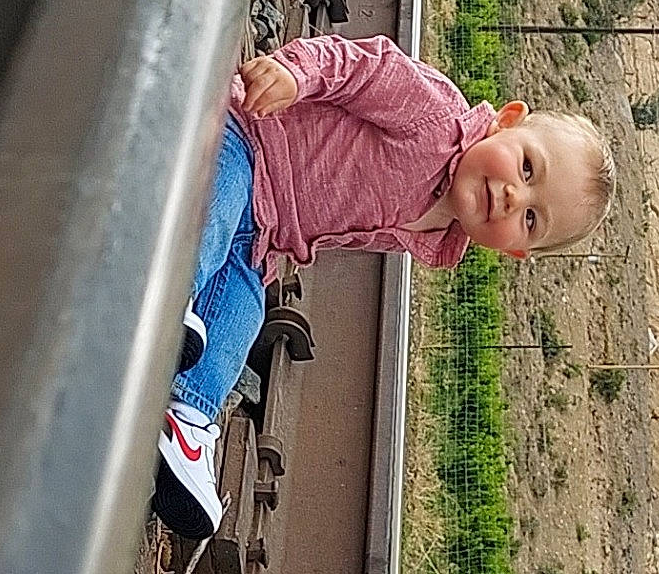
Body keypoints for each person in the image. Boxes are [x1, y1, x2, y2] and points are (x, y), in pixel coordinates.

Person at [154, 32, 616, 538]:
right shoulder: (436, 117)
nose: (512, 196)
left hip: (265, 233)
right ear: (506, 121)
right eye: (527, 167)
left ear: (513, 251)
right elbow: (362, 66)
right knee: (212, 219)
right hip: (245, 143)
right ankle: (162, 298)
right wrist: (295, 74)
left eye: (530, 219)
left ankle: (187, 422)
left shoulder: (440, 229)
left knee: (243, 313)